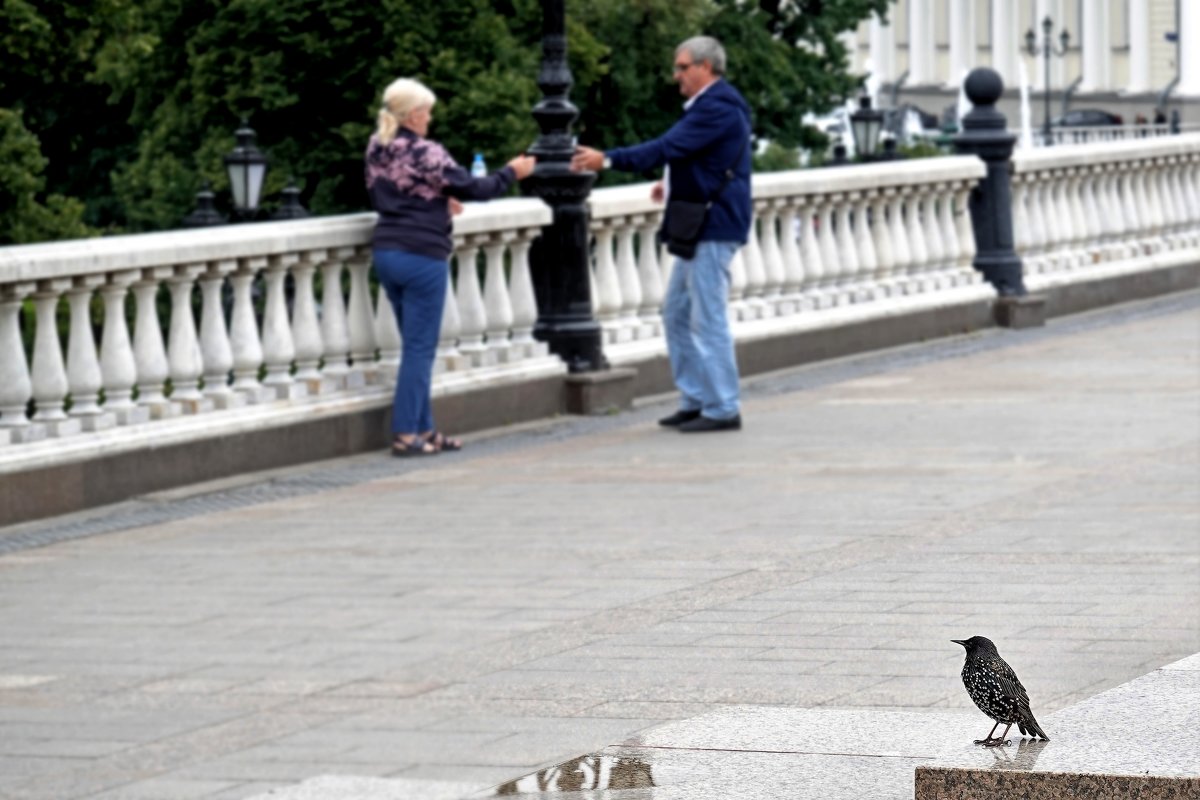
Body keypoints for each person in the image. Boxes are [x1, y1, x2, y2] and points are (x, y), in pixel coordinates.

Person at [572, 36, 751, 433]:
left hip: (713, 225)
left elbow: (668, 146)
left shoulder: (716, 107)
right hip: (702, 222)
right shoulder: (710, 105)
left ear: (706, 67)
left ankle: (722, 407)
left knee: (707, 318)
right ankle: (696, 399)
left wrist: (608, 159)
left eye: (683, 67)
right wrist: (671, 183)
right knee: (677, 314)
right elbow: (692, 155)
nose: (677, 76)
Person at [366, 77, 535, 456]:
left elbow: (395, 192)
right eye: (426, 112)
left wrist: (437, 202)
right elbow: (479, 189)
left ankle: (426, 430)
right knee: (419, 349)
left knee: (415, 346)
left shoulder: (377, 147)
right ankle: (407, 433)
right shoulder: (427, 151)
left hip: (387, 251)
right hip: (421, 255)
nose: (429, 119)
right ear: (413, 115)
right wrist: (513, 172)